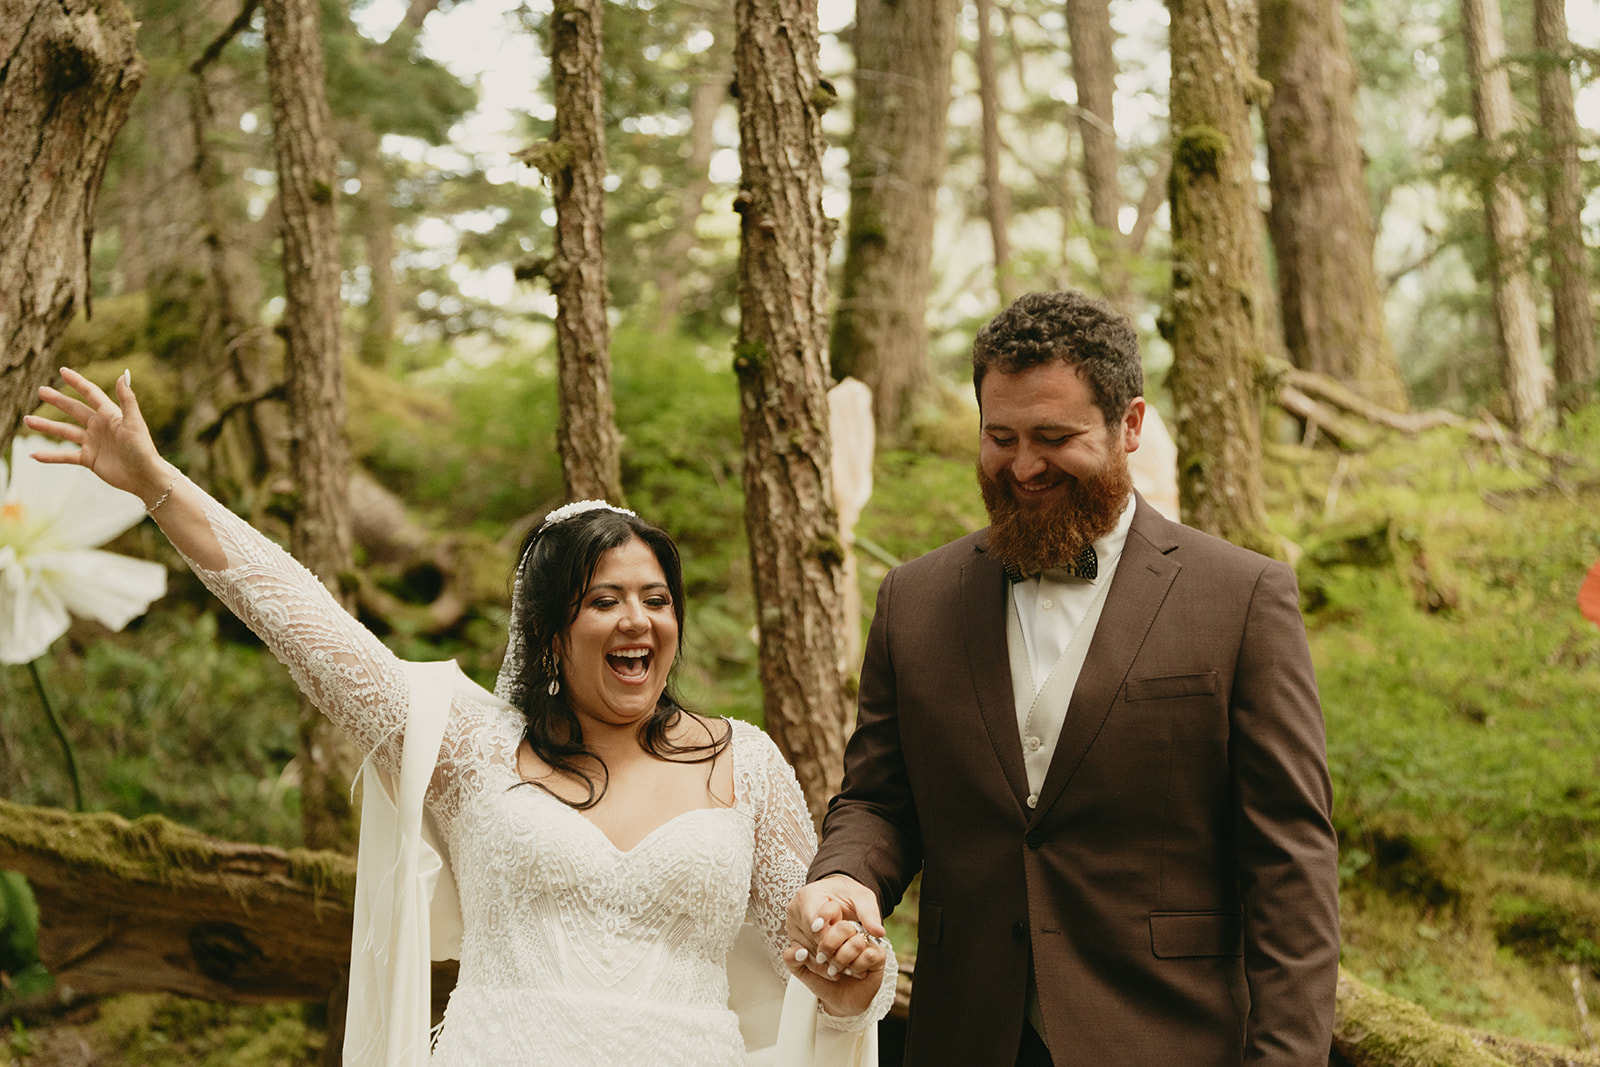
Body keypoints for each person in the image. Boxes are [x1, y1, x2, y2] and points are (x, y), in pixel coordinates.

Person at [26, 368, 896, 1067]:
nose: (638, 621)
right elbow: (299, 615)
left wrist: (855, 977)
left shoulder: (743, 762)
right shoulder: (471, 745)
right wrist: (154, 481)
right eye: (605, 600)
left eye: (656, 599)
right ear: (552, 633)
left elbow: (820, 957)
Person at [786, 291, 1340, 1066]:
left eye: (1054, 436)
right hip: (964, 1038)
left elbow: (1290, 863)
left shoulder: (1242, 598)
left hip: (1169, 1039)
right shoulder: (913, 599)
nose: (1022, 465)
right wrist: (844, 876)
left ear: (1131, 426)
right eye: (1000, 436)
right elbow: (881, 796)